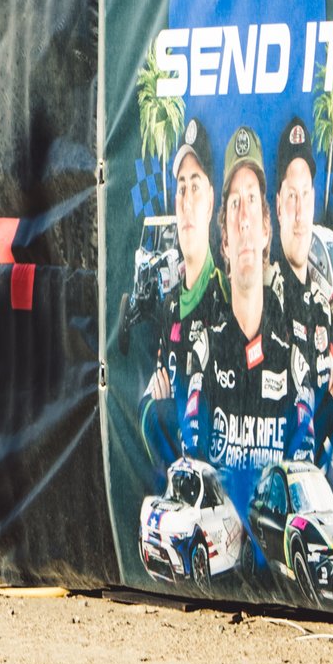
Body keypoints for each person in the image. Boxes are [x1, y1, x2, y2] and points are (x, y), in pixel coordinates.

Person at [179, 126, 313, 526]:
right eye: (234, 203)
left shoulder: (293, 351)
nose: (243, 220)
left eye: (252, 201)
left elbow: (304, 469)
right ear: (223, 240)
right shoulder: (204, 348)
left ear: (267, 228)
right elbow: (191, 456)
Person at [272, 118, 333, 486]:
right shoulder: (259, 301)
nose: (299, 210)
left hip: (319, 495)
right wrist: (331, 411)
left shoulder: (326, 307)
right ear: (277, 205)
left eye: (306, 195)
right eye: (291, 195)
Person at [142, 117, 222, 462]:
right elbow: (152, 409)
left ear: (211, 201)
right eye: (181, 188)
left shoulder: (228, 300)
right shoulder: (169, 306)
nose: (187, 201)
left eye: (196, 186)